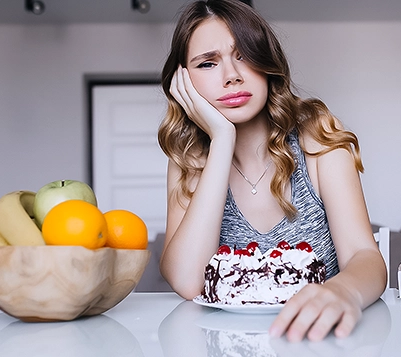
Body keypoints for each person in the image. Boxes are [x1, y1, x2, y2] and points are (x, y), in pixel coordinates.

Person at [157, 0, 387, 342]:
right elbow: (189, 282)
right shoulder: (188, 158)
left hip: (322, 342)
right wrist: (221, 140)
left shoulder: (317, 133)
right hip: (225, 344)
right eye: (207, 63)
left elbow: (363, 255)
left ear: (267, 62)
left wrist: (346, 292)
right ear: (184, 83)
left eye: (244, 55)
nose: (231, 76)